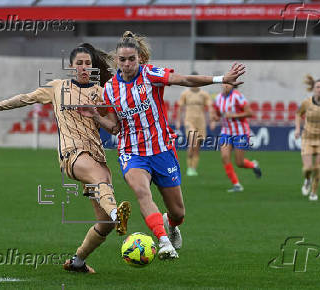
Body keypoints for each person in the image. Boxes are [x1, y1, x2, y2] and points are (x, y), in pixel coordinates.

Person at [77, 31, 245, 259]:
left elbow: (184, 80)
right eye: (123, 60)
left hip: (162, 150)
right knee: (141, 192)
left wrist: (220, 79)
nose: (127, 64)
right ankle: (164, 241)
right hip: (132, 152)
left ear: (139, 59)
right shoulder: (110, 89)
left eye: (131, 59)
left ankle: (171, 224)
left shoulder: (150, 74)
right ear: (117, 61)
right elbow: (115, 128)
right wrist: (97, 117)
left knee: (178, 212)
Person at [0, 43, 131, 274]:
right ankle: (118, 213)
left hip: (96, 154)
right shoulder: (57, 87)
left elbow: (114, 128)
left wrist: (96, 114)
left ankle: (78, 261)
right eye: (79, 63)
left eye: (88, 63)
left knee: (105, 224)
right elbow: (24, 98)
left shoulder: (101, 92)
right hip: (72, 154)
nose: (84, 67)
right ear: (71, 67)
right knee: (100, 179)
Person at [210, 83, 262, 192]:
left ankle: (253, 165)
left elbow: (250, 113)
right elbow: (218, 114)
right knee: (224, 157)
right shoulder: (218, 98)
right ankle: (236, 185)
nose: (226, 86)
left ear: (232, 86)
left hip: (241, 132)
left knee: (239, 162)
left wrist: (234, 115)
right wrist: (215, 118)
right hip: (226, 132)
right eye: (224, 84)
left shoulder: (238, 96)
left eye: (228, 85)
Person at [175, 73, 212, 176]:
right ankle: (189, 167)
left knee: (197, 147)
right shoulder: (185, 93)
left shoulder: (204, 94)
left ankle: (193, 168)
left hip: (201, 122)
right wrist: (178, 121)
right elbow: (180, 108)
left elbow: (210, 107)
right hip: (189, 121)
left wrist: (212, 120)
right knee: (192, 143)